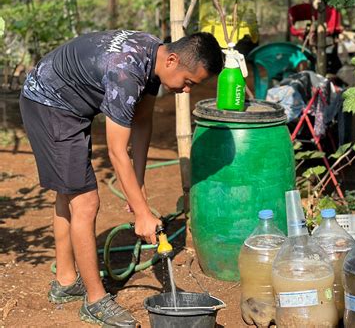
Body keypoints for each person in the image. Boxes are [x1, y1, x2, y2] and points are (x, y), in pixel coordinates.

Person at [20, 30, 223, 326]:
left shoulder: (154, 56)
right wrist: (140, 212)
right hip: (49, 102)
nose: (187, 90)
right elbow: (116, 151)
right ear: (173, 60)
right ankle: (95, 301)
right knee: (85, 201)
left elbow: (142, 122)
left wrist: (137, 187)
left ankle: (65, 281)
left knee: (70, 192)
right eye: (189, 82)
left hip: (67, 103)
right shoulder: (126, 73)